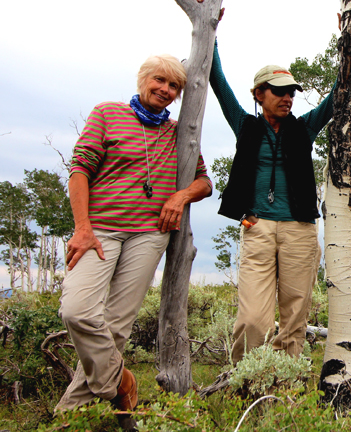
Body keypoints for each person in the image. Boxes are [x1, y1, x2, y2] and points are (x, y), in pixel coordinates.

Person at [57, 54, 213, 413]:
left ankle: (71, 414)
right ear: (143, 79)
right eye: (160, 80)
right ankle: (120, 381)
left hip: (149, 234)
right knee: (77, 311)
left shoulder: (179, 132)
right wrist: (82, 228)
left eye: (174, 86)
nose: (165, 89)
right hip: (99, 231)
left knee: (115, 327)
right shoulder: (107, 114)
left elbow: (204, 181)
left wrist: (181, 195)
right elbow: (79, 168)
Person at [209, 40, 335, 362]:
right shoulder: (245, 126)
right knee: (253, 320)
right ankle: (247, 380)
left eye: (291, 92)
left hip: (299, 231)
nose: (287, 98)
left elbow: (336, 97)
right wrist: (211, 31)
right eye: (279, 91)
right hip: (257, 227)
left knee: (294, 320)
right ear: (258, 94)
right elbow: (217, 81)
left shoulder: (304, 128)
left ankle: (284, 386)